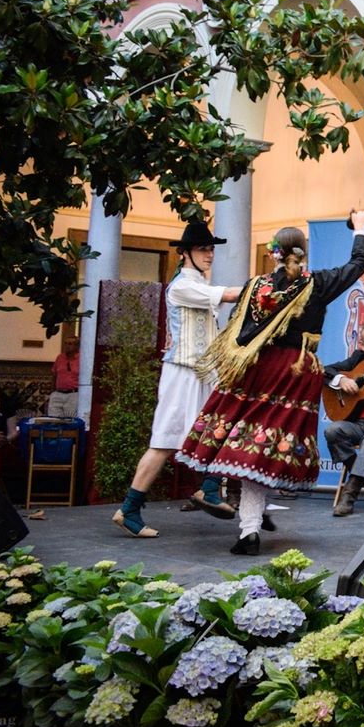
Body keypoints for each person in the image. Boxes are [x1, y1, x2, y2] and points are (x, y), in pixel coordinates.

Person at [178, 212, 364, 554]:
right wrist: (362, 229)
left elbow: (237, 327)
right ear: (303, 253)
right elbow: (358, 263)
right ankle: (252, 522)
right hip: (296, 370)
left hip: (257, 368)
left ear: (274, 253)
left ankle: (252, 523)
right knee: (266, 448)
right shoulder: (316, 283)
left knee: (248, 444)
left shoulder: (256, 286)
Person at [113, 221, 240, 539]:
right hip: (182, 373)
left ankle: (208, 489)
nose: (209, 254)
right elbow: (228, 295)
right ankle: (129, 508)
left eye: (211, 249)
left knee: (220, 430)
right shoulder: (184, 285)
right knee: (165, 442)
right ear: (185, 253)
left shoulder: (194, 284)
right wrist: (268, 287)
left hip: (203, 372)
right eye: (203, 249)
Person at [323, 323, 364, 517]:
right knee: (332, 431)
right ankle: (357, 472)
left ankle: (350, 494)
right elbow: (327, 370)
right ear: (363, 345)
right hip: (357, 424)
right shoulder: (358, 359)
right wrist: (342, 380)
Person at [47, 334, 81, 419]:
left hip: (73, 394)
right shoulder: (60, 358)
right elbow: (54, 375)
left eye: (70, 344)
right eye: (65, 343)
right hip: (58, 393)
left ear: (77, 346)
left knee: (69, 420)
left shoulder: (82, 358)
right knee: (53, 420)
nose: (67, 346)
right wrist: (52, 393)